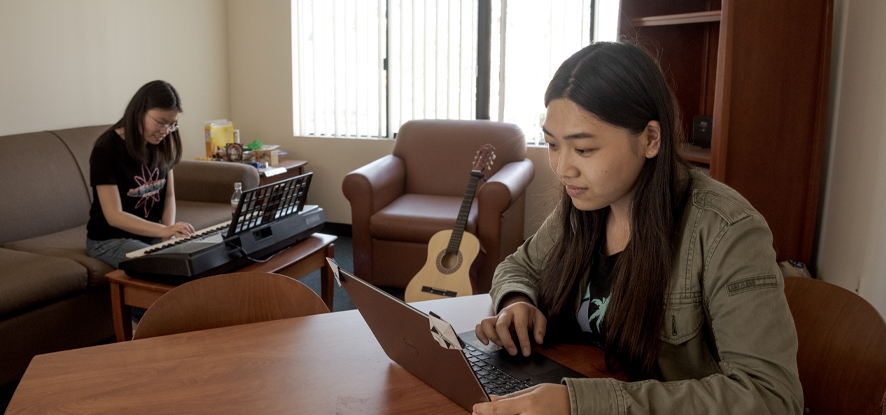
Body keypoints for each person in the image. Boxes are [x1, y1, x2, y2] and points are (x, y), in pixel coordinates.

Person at [472, 42, 803, 415]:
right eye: (552, 145)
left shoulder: (725, 230)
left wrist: (582, 404)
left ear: (650, 139)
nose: (563, 168)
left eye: (583, 150)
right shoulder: (586, 203)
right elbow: (519, 267)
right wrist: (517, 301)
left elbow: (772, 397)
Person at [86, 80, 196, 320]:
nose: (165, 130)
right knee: (168, 272)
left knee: (195, 260)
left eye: (172, 124)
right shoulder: (106, 149)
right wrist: (164, 229)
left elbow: (168, 195)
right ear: (139, 110)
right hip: (109, 240)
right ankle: (149, 329)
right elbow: (113, 216)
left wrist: (169, 233)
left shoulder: (161, 143)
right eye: (160, 122)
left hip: (149, 236)